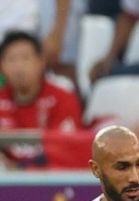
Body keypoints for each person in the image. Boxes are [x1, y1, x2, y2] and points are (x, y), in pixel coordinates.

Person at [0, 30, 83, 169]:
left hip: (52, 180)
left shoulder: (63, 98)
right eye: (12, 59)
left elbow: (67, 149)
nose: (19, 67)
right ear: (2, 66)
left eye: (25, 58)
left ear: (41, 62)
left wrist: (20, 168)